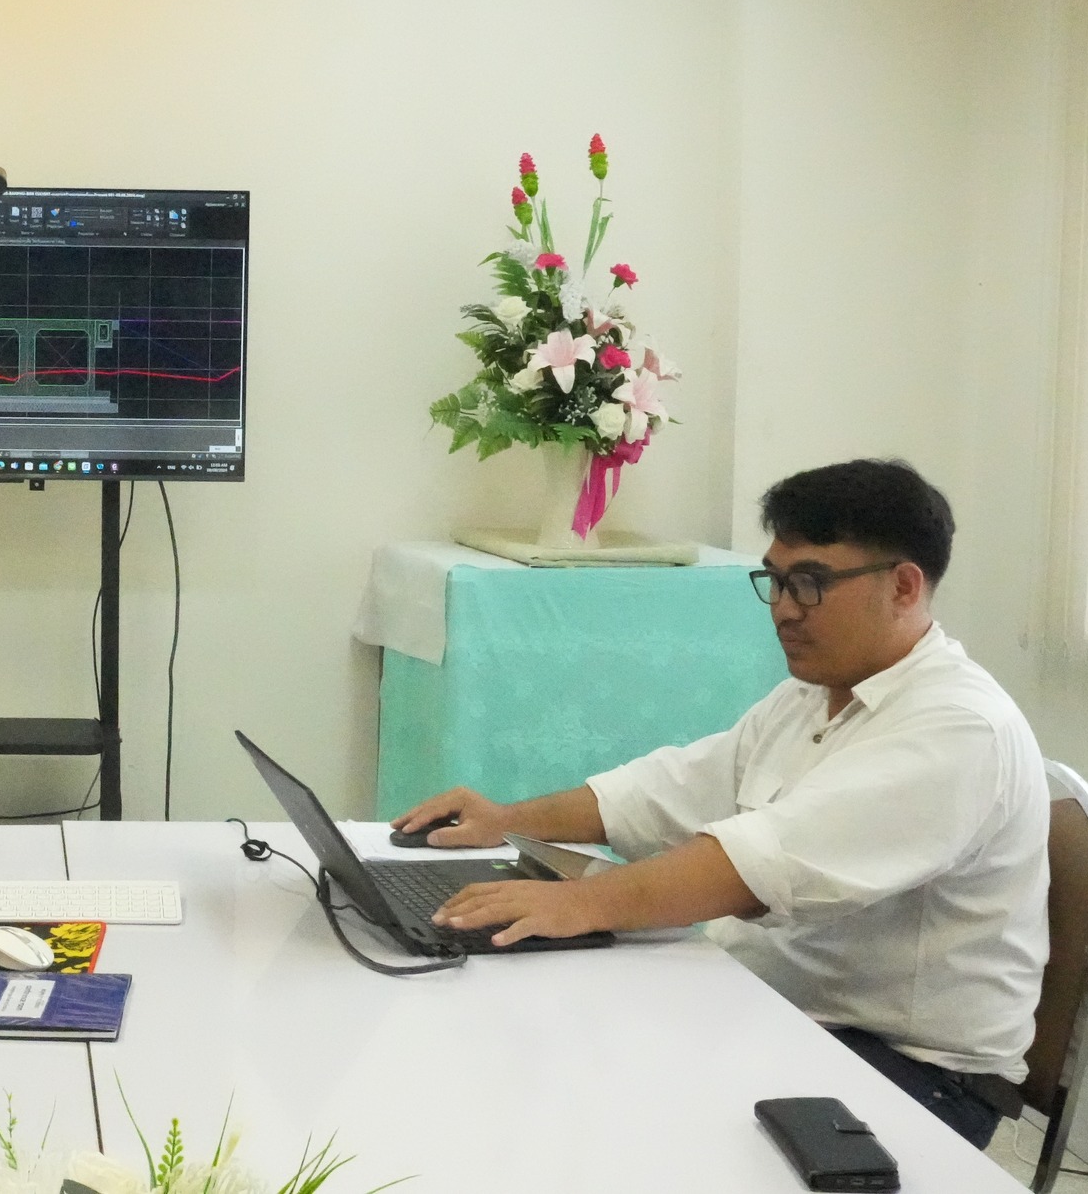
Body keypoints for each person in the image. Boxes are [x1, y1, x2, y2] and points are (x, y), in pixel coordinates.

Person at [393, 459, 1048, 1148]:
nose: (785, 608)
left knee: (606, 1112)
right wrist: (506, 821)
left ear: (904, 586)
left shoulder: (958, 727)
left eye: (811, 583)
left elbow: (759, 864)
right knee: (535, 1047)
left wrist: (579, 904)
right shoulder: (812, 695)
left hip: (909, 1074)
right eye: (775, 581)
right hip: (774, 1011)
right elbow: (666, 791)